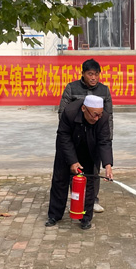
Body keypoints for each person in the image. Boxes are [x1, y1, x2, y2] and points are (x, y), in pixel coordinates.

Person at [46, 96, 113, 230]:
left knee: (89, 183)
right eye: (94, 115)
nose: (97, 118)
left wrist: (107, 165)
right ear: (83, 109)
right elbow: (63, 136)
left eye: (99, 115)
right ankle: (54, 215)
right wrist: (72, 161)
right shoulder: (70, 112)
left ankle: (85, 218)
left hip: (89, 150)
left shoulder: (102, 117)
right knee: (60, 181)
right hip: (67, 148)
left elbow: (104, 141)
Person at [58, 58, 113, 213]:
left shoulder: (104, 90)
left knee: (94, 171)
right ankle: (76, 197)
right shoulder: (72, 88)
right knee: (74, 169)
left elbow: (109, 117)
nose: (93, 78)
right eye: (90, 74)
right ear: (82, 74)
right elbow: (63, 113)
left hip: (95, 139)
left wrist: (107, 140)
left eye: (96, 74)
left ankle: (93, 200)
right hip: (75, 138)